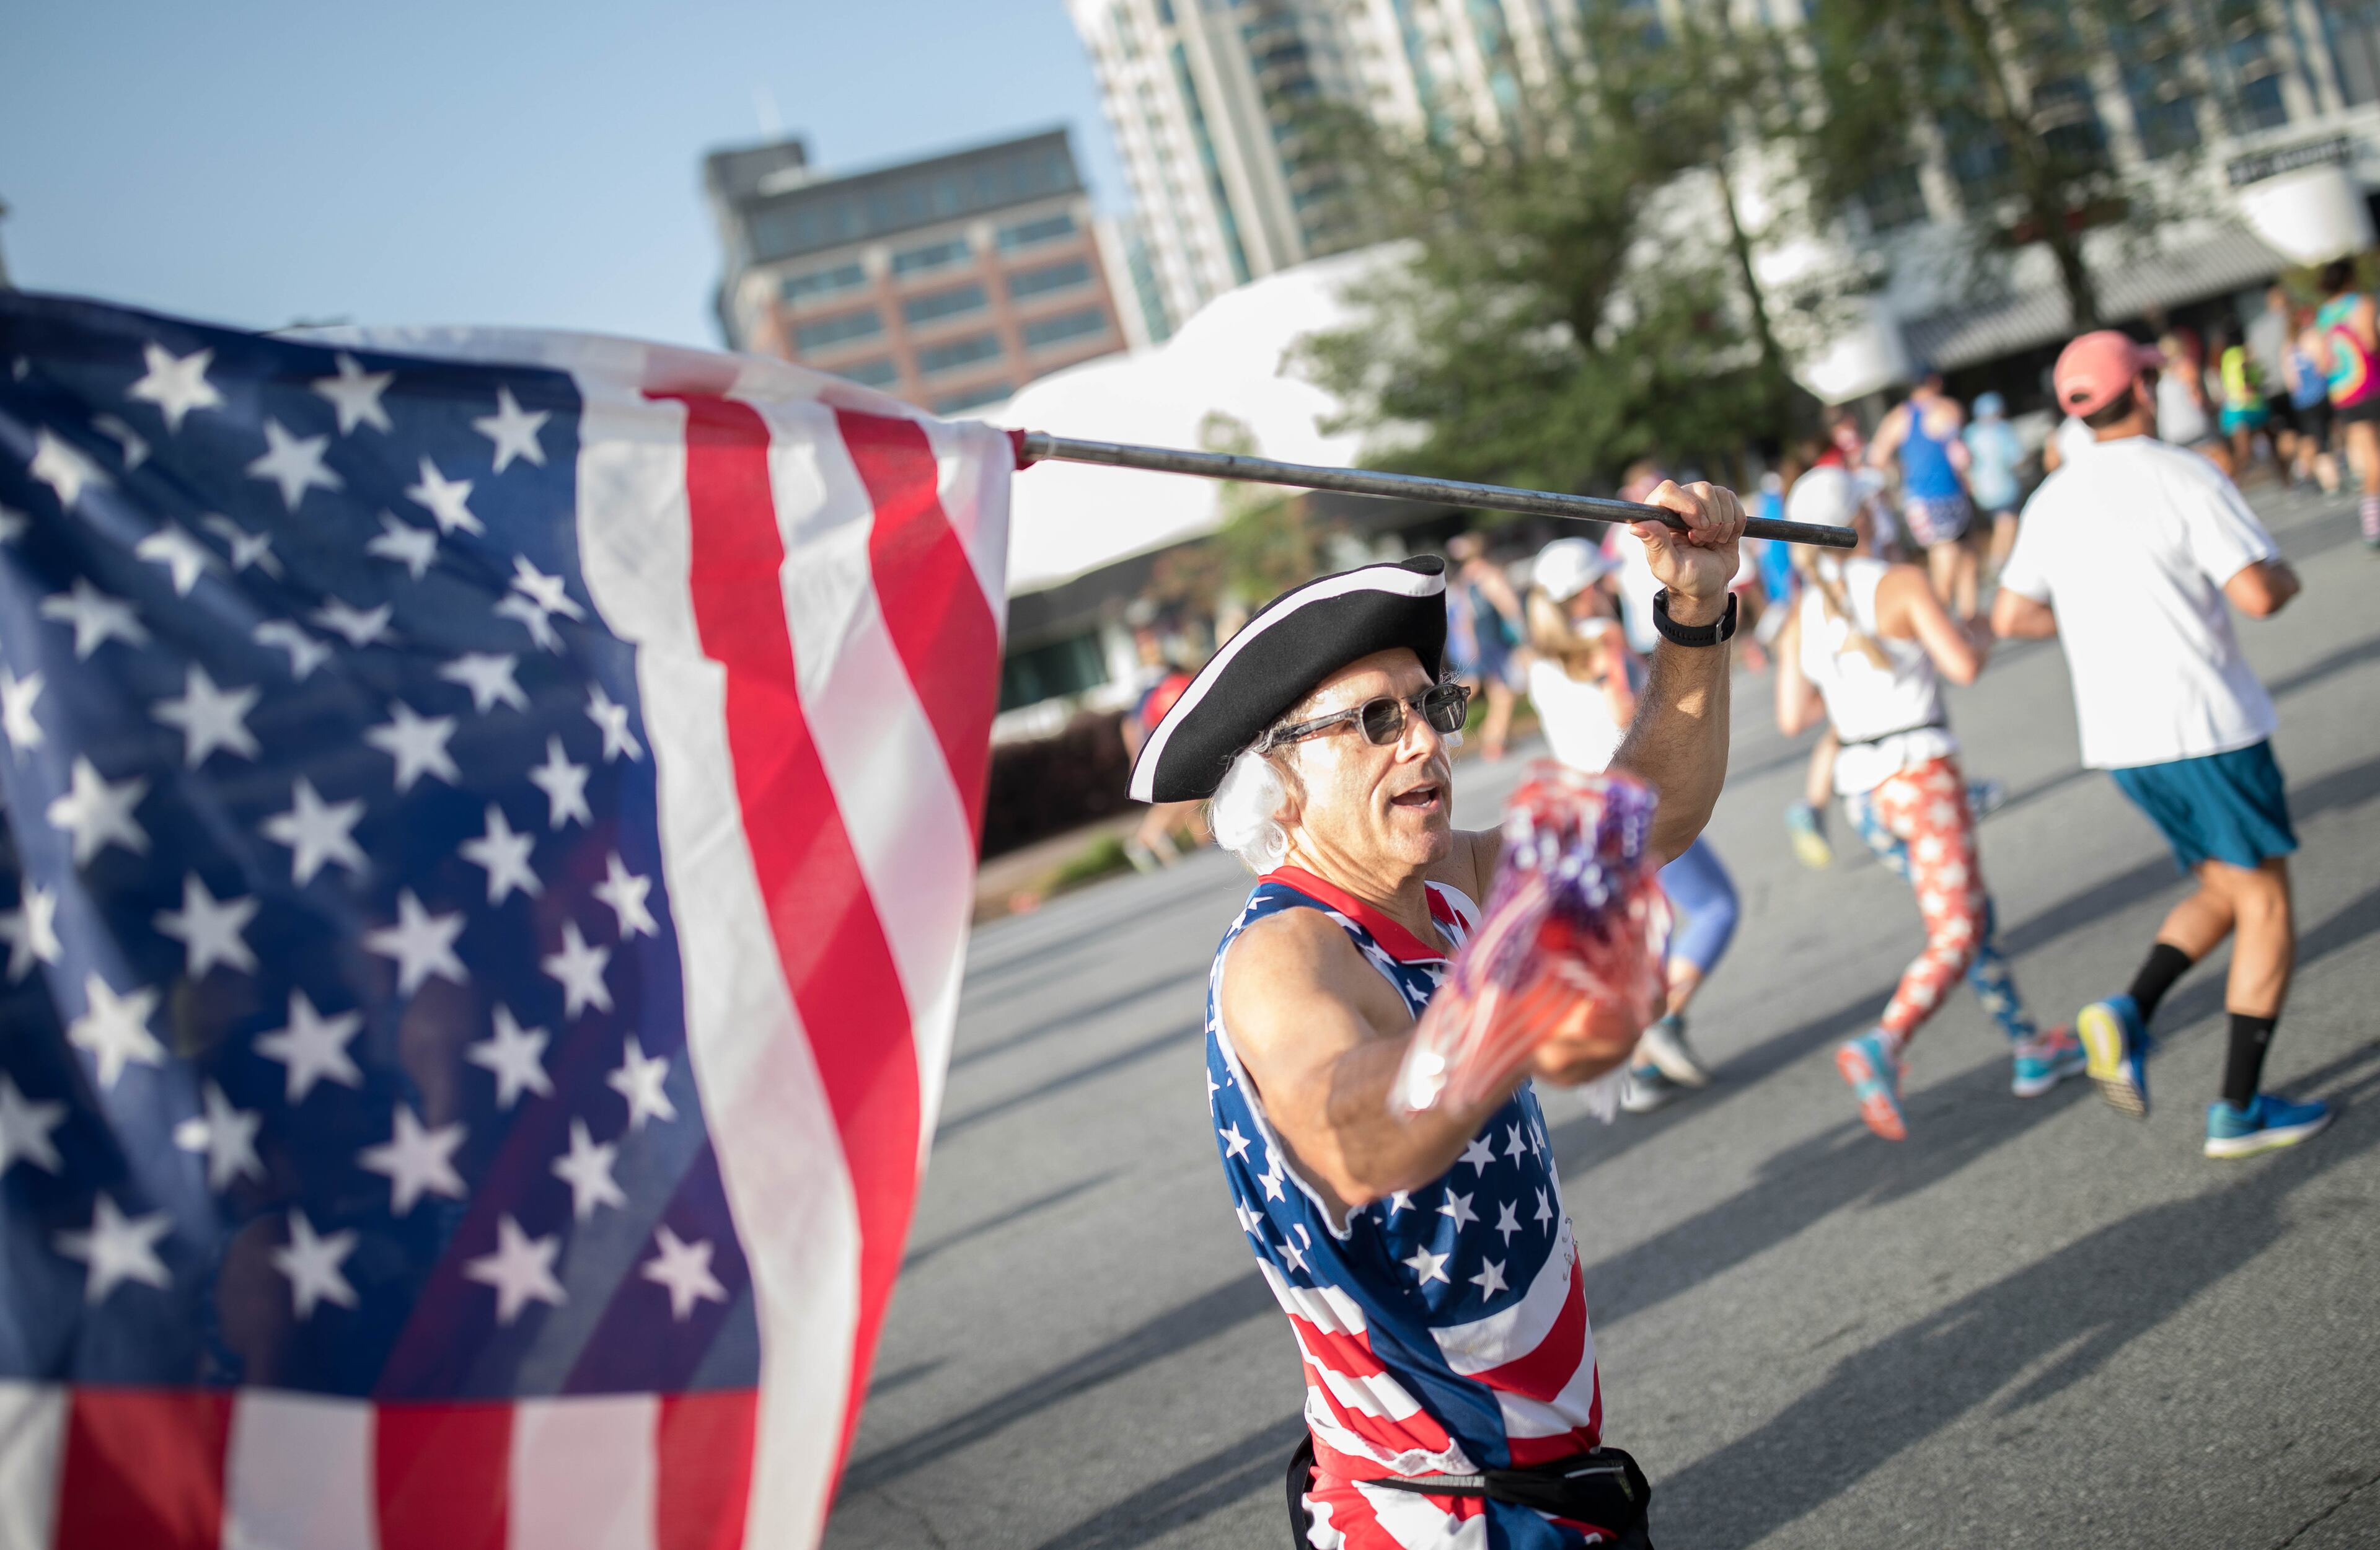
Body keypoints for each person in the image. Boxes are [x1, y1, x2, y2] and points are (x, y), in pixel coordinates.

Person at [1128, 482, 1748, 1548]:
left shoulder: (1453, 878)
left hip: (1546, 1483)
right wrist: (1509, 1005)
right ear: (1276, 779)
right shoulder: (1284, 955)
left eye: (1430, 707)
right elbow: (1354, 1132)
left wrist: (1695, 613)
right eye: (1375, 721)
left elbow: (1655, 810)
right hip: (1429, 1521)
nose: (1423, 742)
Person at [1992, 330, 2329, 1160]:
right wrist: (2285, 574)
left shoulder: (2053, 498)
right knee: (2269, 903)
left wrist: (2101, 612)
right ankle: (2238, 1110)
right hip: (2205, 723)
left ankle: (2128, 1011)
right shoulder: (2182, 474)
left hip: (2122, 740)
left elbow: (2013, 616)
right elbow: (2257, 593)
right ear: (2142, 389)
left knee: (2225, 887)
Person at [1773, 467, 2082, 1140]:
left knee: (1970, 913)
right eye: (1875, 501)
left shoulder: (1804, 614)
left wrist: (1855, 682)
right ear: (1861, 515)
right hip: (1922, 774)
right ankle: (1883, 1043)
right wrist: (1978, 626)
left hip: (1863, 788)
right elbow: (1964, 665)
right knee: (1957, 931)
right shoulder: (1899, 583)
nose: (1885, 509)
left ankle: (2031, 1046)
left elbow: (1794, 714)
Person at [1525, 539, 1737, 1114]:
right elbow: (1628, 713)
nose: (1612, 587)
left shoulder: (1539, 664)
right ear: (1586, 590)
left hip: (1583, 812)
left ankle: (1638, 1062)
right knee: (1716, 907)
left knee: (1646, 935)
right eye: (1603, 580)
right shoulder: (1605, 639)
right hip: (1631, 802)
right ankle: (1657, 1027)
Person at [1868, 372, 1980, 618]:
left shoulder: (1899, 417)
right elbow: (1961, 455)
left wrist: (1905, 472)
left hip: (1922, 499)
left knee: (1964, 559)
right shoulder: (1947, 408)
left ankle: (1966, 632)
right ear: (1936, 382)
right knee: (1951, 566)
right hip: (1947, 494)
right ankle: (1939, 627)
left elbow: (1877, 457)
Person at [2314, 257, 2380, 548]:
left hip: (2343, 392)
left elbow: (2324, 361)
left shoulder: (2324, 313)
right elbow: (2371, 343)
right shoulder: (2360, 304)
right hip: (2370, 384)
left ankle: (2372, 524)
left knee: (2368, 458)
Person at [1444, 532, 1527, 760]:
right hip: (1493, 641)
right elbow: (1509, 605)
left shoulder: (1465, 579)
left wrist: (1468, 644)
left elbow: (1464, 618)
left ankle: (1495, 738)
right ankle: (1493, 741)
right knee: (1504, 692)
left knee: (1495, 691)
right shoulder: (1489, 575)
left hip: (1478, 643)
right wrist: (1524, 634)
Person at [1962, 391, 2026, 583]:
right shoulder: (2002, 430)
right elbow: (2017, 459)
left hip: (1981, 492)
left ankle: (2000, 563)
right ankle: (2000, 564)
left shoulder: (1970, 433)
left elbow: (1964, 463)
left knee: (1999, 526)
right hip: (2004, 488)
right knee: (2007, 525)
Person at [2285, 305, 2339, 494]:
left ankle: (2306, 473)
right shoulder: (2313, 337)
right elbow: (2324, 366)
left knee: (2315, 440)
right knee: (2327, 439)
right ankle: (2331, 483)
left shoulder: (2288, 347)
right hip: (2322, 394)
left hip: (2303, 402)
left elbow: (2292, 382)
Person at [2156, 332, 2228, 473]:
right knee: (2223, 464)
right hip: (2194, 425)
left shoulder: (2161, 375)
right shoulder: (2186, 366)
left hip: (2171, 433)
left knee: (2191, 471)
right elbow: (2198, 399)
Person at [2247, 283, 2298, 475]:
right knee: (2301, 430)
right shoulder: (2288, 320)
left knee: (2284, 431)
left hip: (2268, 387)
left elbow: (2252, 359)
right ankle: (2302, 469)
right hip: (2292, 383)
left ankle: (2294, 472)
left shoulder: (2256, 327)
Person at [2215, 324, 2271, 478]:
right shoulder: (2241, 353)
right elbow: (2247, 373)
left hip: (2237, 408)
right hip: (2248, 408)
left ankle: (2230, 483)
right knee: (2247, 453)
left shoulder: (2225, 356)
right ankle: (2288, 483)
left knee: (2244, 454)